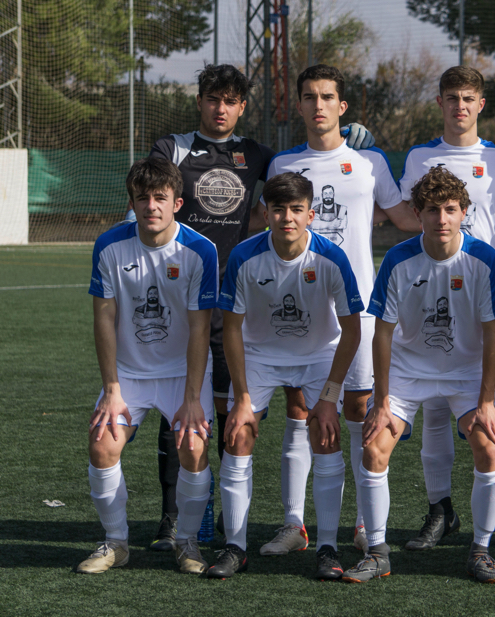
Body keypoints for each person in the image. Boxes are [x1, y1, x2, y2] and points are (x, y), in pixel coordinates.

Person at [146, 64, 374, 550]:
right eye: (212, 99)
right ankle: (177, 517)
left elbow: (302, 170)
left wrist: (349, 139)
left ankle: (231, 524)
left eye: (230, 100)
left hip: (240, 297)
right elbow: (152, 197)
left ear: (243, 106)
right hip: (182, 296)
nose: (221, 108)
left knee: (231, 415)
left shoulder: (259, 156)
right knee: (182, 411)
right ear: (201, 101)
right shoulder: (172, 149)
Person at [265, 64, 407, 555]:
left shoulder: (371, 163)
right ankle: (293, 524)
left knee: (357, 410)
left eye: (328, 97)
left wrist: (469, 221)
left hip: (359, 308)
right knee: (300, 409)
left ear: (342, 108)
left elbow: (406, 215)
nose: (319, 104)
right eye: (310, 97)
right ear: (299, 106)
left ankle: (366, 524)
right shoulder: (283, 163)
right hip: (300, 310)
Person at [344, 167, 495, 584]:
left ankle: (481, 550)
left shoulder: (484, 259)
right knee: (374, 447)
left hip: (465, 372)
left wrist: (487, 400)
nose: (442, 219)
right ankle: (377, 550)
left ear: (464, 212)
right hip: (408, 371)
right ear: (417, 213)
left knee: (489, 447)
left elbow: (493, 334)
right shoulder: (399, 259)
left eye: (450, 209)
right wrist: (381, 400)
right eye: (432, 210)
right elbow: (382, 334)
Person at [207, 173, 363, 579]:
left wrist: (329, 397)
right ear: (265, 214)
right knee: (238, 433)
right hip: (259, 357)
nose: (287, 218)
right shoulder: (244, 256)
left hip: (316, 358)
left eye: (296, 210)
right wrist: (241, 397)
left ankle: (327, 547)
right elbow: (232, 328)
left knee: (326, 435)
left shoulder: (332, 258)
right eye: (278, 210)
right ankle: (234, 547)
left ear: (311, 214)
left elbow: (353, 330)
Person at [396, 65, 495, 551]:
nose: (460, 106)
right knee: (432, 409)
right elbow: (411, 217)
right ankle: (440, 511)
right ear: (440, 102)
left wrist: (484, 252)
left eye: (469, 98)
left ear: (481, 104)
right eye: (452, 97)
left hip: (484, 294)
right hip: (430, 293)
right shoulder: (420, 157)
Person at [78, 158, 217, 575]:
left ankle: (187, 542)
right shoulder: (109, 245)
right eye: (143, 198)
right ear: (132, 203)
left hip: (183, 374)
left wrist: (192, 398)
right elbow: (104, 319)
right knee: (102, 443)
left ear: (177, 202)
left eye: (160, 197)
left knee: (192, 446)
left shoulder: (199, 250)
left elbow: (199, 328)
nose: (151, 206)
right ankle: (116, 543)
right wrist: (113, 388)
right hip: (129, 375)